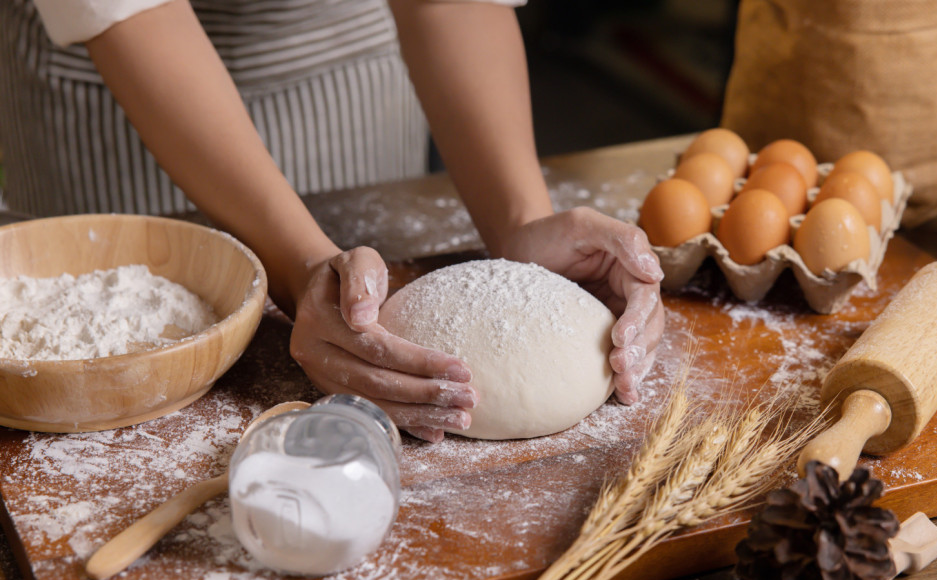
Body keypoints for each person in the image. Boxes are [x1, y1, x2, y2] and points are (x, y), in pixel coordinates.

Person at [1, 0, 666, 442]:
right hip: (118, 83)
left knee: (364, 293)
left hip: (342, 66)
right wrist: (299, 264)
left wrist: (521, 220)